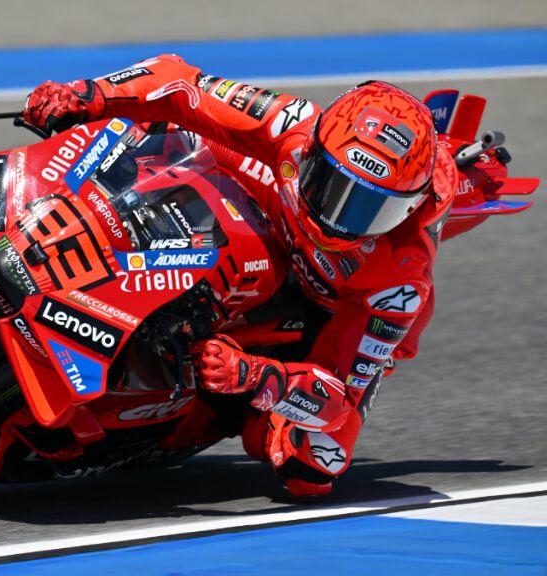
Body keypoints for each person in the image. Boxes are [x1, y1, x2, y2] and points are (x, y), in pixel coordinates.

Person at [22, 54, 459, 496]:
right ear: (312, 152)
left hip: (330, 310)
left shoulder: (401, 278)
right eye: (331, 186)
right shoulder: (295, 124)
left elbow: (339, 401)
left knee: (312, 466)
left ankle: (211, 410)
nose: (337, 220)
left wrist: (255, 376)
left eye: (371, 209)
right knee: (160, 129)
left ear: (406, 209)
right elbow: (181, 82)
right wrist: (89, 93)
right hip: (269, 208)